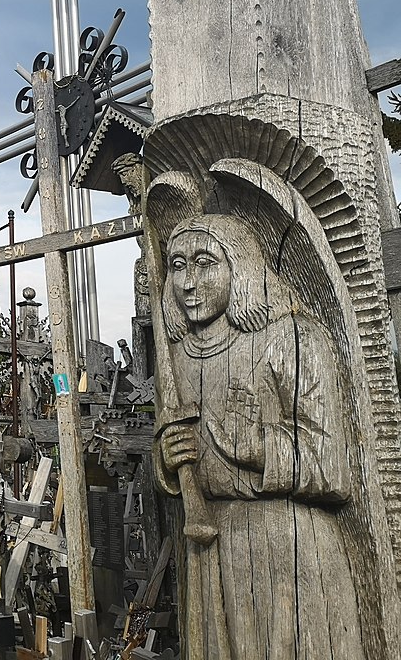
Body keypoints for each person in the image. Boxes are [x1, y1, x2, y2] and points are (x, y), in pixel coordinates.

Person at [153, 214, 365, 658]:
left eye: (205, 263)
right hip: (209, 544)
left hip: (285, 545)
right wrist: (168, 462)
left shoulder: (293, 339)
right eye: (176, 265)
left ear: (241, 266)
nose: (188, 282)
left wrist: (259, 448)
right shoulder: (175, 360)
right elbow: (169, 453)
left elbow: (333, 466)